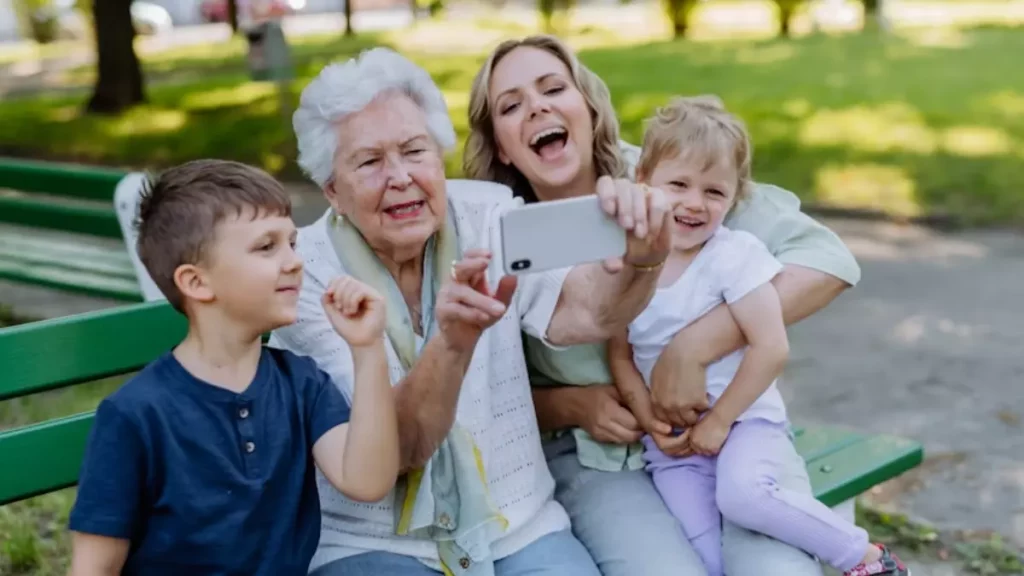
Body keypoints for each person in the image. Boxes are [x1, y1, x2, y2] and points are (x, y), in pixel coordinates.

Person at [464, 35, 863, 576]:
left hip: (724, 431)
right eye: (511, 106)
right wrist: (574, 406)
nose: (537, 107)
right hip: (598, 460)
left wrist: (693, 348)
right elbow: (481, 397)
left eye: (554, 88)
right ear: (503, 146)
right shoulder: (498, 231)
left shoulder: (669, 176)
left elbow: (827, 261)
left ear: (588, 106)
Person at [269, 47, 672, 576]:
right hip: (374, 545)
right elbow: (398, 450)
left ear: (439, 156)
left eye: (415, 151)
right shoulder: (307, 275)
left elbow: (584, 312)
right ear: (331, 191)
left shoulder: (489, 215)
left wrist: (644, 261)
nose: (400, 177)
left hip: (517, 523)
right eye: (369, 162)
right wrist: (452, 344)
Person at [608, 95, 909, 576]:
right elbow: (619, 354)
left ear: (734, 197)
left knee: (744, 496)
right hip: (671, 446)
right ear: (643, 180)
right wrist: (650, 421)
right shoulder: (629, 260)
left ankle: (867, 559)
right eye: (678, 184)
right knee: (697, 555)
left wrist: (720, 421)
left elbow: (771, 348)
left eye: (714, 192)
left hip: (746, 424)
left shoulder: (734, 255)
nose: (694, 202)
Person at [66, 160, 401, 575]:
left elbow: (367, 481)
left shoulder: (302, 384)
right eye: (266, 247)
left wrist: (368, 349)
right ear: (196, 282)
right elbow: (93, 569)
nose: (295, 261)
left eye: (292, 243)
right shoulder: (135, 416)